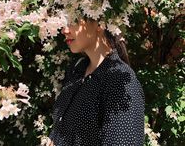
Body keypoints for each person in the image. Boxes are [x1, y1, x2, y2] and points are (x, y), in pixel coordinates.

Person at [48, 18, 145, 146]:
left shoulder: (120, 81)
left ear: (100, 23)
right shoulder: (77, 69)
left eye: (73, 20)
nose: (64, 30)